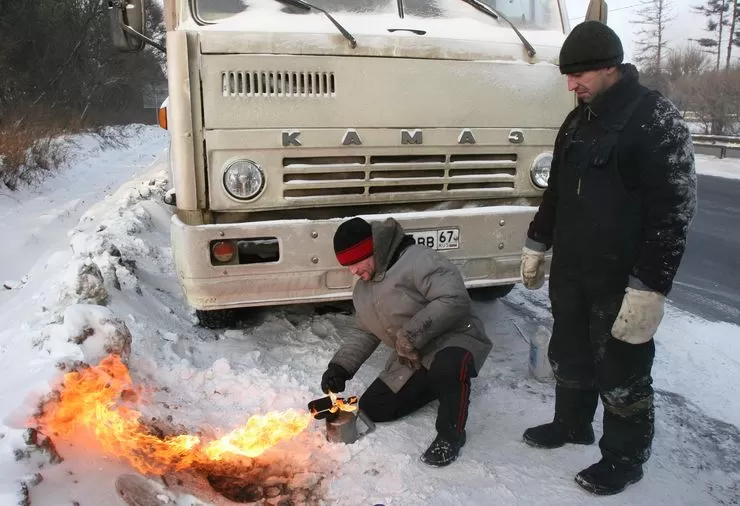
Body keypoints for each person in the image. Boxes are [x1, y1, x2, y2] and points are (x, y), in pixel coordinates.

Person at [519, 20, 697, 495]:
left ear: (610, 67)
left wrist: (651, 288)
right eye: (568, 76)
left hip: (623, 279)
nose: (571, 85)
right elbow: (555, 190)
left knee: (621, 370)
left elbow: (675, 211)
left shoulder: (654, 119)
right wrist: (537, 242)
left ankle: (624, 458)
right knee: (569, 353)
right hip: (573, 270)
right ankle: (571, 424)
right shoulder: (579, 119)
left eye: (579, 75)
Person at [320, 216, 492, 466]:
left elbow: (453, 298)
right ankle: (437, 384)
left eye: (356, 262)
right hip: (415, 354)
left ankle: (450, 435)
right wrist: (339, 368)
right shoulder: (363, 291)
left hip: (456, 337)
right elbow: (363, 331)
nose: (353, 271)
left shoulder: (416, 260)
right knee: (375, 407)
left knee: (448, 367)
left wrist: (411, 334)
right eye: (348, 266)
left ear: (373, 250)